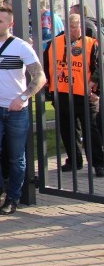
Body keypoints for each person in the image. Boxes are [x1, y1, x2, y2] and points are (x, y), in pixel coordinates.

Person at [0, 5, 46, 215]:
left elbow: (39, 76)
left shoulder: (21, 47)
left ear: (10, 24)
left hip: (16, 109)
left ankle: (12, 197)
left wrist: (23, 97)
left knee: (17, 157)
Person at [43, 13, 103, 176]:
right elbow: (46, 67)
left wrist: (96, 92)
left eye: (75, 27)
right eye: (68, 27)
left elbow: (99, 68)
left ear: (82, 28)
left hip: (85, 95)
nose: (71, 31)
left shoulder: (92, 44)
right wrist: (50, 88)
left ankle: (98, 163)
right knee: (67, 129)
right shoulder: (53, 44)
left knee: (91, 130)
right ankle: (74, 161)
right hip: (61, 93)